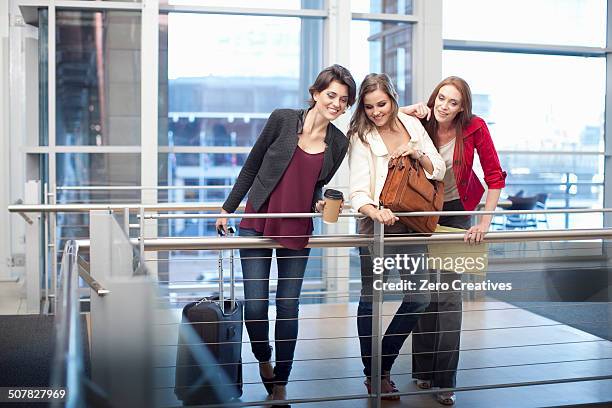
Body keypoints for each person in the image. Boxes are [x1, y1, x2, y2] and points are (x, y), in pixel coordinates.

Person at [216, 65, 356, 405]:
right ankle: (263, 358)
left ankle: (281, 381)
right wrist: (228, 208)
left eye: (344, 100)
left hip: (297, 227)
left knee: (289, 306)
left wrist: (320, 202)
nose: (336, 104)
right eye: (331, 95)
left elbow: (317, 185)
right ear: (315, 93)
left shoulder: (339, 142)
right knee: (256, 305)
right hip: (258, 221)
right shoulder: (282, 119)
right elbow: (252, 164)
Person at [400, 76, 506, 405]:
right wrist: (409, 109)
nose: (445, 107)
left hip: (457, 212)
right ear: (433, 99)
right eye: (441, 99)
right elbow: (379, 118)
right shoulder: (422, 120)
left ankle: (444, 381)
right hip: (421, 211)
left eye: (453, 102)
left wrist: (483, 222)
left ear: (463, 107)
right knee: (421, 294)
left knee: (447, 295)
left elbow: (494, 176)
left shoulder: (474, 127)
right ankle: (422, 370)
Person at [348, 73, 445, 400]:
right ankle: (374, 375)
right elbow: (358, 190)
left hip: (411, 223)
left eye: (382, 104)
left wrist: (415, 151)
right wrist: (374, 211)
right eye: (369, 106)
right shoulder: (361, 135)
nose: (376, 111)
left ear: (393, 98)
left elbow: (438, 169)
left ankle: (382, 364)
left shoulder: (411, 124)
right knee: (371, 300)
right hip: (375, 226)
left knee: (419, 298)